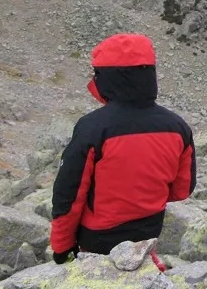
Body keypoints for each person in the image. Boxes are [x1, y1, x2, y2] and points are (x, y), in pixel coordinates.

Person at [50, 33, 197, 263]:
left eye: (97, 73)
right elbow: (183, 189)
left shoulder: (92, 127)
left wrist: (61, 248)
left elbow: (68, 195)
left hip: (96, 241)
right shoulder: (178, 127)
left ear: (109, 78)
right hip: (148, 233)